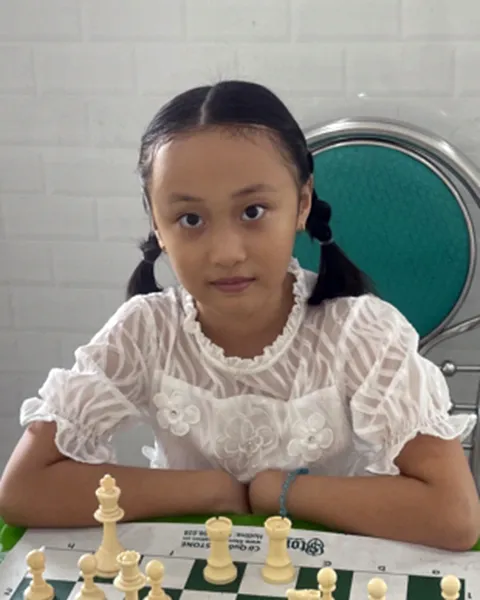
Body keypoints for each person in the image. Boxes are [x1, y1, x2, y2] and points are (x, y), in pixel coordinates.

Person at [0, 81, 478, 551]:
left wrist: (276, 491)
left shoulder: (360, 334)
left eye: (253, 211)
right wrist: (213, 490)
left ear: (302, 204)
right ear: (157, 225)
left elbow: (455, 515)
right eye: (190, 219)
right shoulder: (145, 331)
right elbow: (23, 489)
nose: (226, 253)